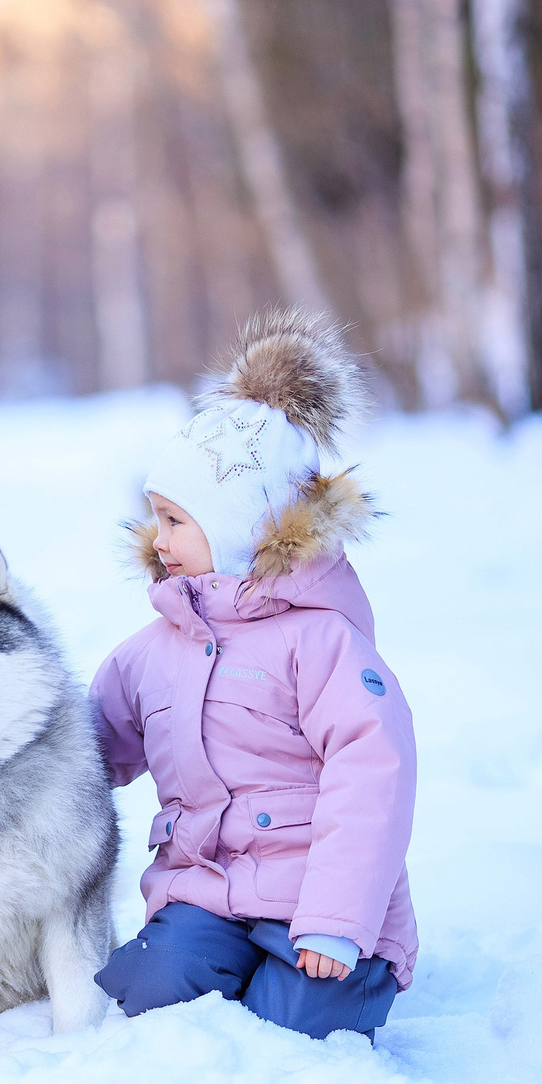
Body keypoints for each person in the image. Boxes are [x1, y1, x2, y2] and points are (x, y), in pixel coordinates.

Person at [88, 310, 418, 1040]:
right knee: (142, 998)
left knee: (296, 1025)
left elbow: (374, 776)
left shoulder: (323, 642)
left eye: (176, 520)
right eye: (155, 518)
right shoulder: (151, 650)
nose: (158, 540)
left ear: (241, 524)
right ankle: (213, 971)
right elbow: (86, 751)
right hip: (204, 896)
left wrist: (337, 922)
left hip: (322, 908)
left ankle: (325, 977)